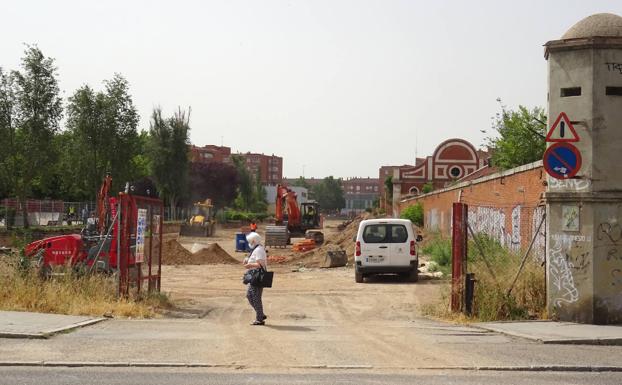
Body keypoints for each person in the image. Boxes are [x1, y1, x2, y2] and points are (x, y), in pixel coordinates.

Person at [243, 232, 268, 325]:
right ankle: (260, 314)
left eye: (250, 241)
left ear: (253, 241)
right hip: (254, 276)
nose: (249, 243)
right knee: (249, 295)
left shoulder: (259, 250)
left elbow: (260, 264)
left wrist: (249, 264)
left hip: (257, 277)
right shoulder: (256, 249)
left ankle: (259, 319)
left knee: (255, 297)